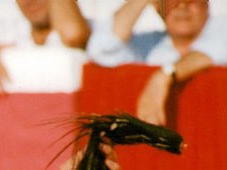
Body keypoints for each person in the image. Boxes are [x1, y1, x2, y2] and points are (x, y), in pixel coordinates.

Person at [86, 0, 227, 126]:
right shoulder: (149, 45)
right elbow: (101, 49)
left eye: (191, 1)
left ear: (207, 4)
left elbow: (212, 51)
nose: (183, 6)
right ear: (157, 7)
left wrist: (163, 76)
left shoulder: (222, 27)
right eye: (173, 2)